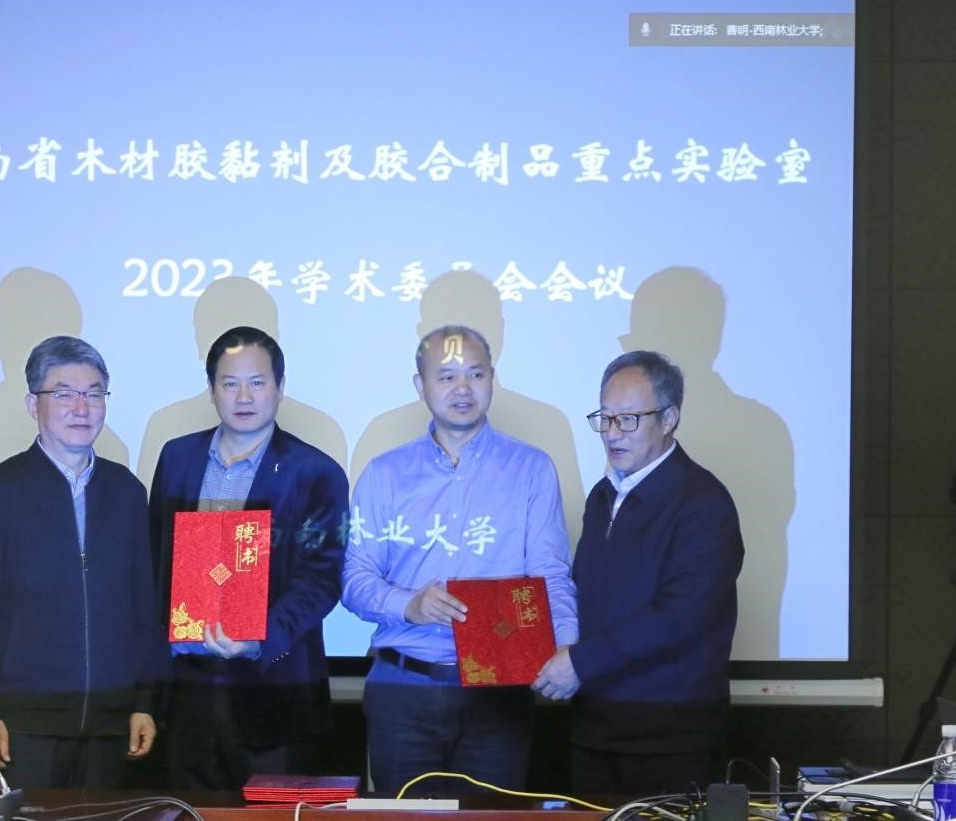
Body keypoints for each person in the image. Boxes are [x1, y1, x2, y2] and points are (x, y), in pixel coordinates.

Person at [342, 325, 578, 794]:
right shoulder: (384, 473)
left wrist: (568, 648)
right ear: (420, 385)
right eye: (447, 376)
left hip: (498, 689)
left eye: (475, 374)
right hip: (403, 686)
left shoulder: (531, 468)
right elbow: (354, 577)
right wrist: (408, 604)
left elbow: (550, 573)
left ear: (493, 378)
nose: (463, 389)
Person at [0, 335, 164, 789]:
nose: (81, 408)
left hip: (111, 722)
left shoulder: (126, 492)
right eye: (64, 394)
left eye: (94, 394)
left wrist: (144, 700)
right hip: (22, 724)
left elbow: (143, 607)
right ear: (33, 404)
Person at [534, 350, 744, 793]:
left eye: (628, 420)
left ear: (669, 419)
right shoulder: (602, 495)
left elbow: (681, 616)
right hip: (593, 725)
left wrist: (579, 662)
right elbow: (584, 592)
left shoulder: (704, 502)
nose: (612, 434)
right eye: (605, 418)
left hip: (670, 735)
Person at [150, 326, 348, 790]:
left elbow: (322, 579)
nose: (243, 397)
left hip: (274, 692)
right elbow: (157, 561)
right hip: (186, 691)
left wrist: (257, 637)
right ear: (211, 390)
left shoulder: (315, 472)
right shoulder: (177, 458)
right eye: (230, 383)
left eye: (257, 383)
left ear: (280, 388)